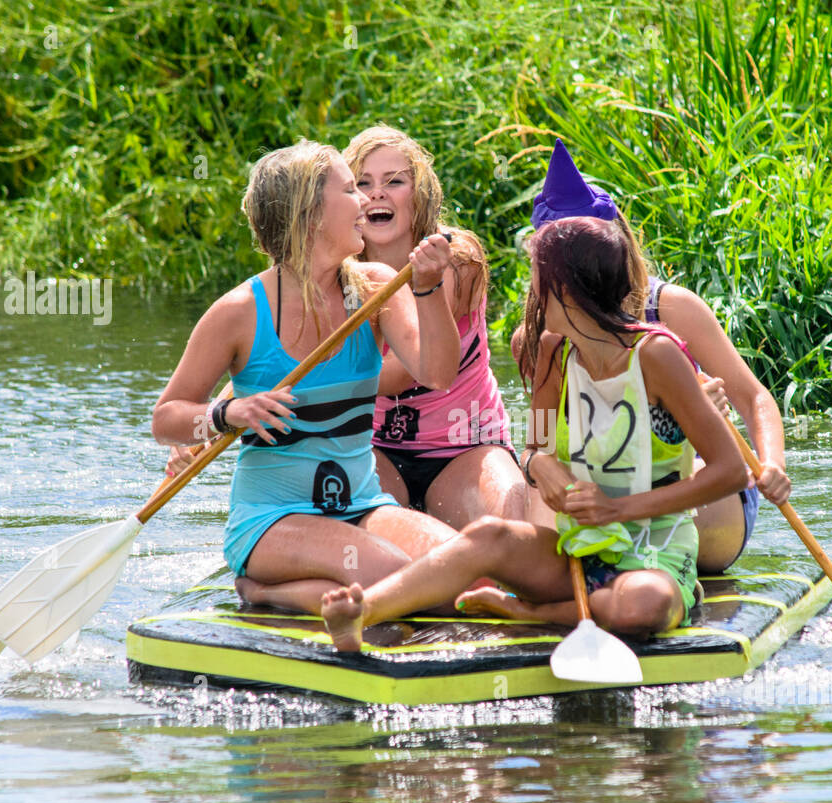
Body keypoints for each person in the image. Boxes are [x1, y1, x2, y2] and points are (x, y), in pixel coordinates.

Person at [310, 216, 749, 652]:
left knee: (643, 606)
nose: (532, 294)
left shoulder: (658, 355)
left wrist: (618, 509)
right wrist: (544, 468)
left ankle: (531, 614)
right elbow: (535, 447)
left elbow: (730, 471)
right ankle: (362, 610)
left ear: (568, 289)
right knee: (489, 535)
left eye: (538, 280)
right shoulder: (553, 353)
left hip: (655, 554)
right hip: (578, 551)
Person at [151, 140, 462, 614]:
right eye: (349, 189)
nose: (364, 201)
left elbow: (437, 373)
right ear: (311, 215)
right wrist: (227, 412)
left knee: (461, 573)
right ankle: (262, 588)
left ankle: (288, 593)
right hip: (272, 520)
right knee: (400, 580)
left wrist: (430, 287)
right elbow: (166, 419)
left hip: (363, 505)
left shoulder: (375, 288)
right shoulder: (237, 314)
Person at [514, 140, 791, 573]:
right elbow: (539, 441)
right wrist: (537, 462)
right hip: (603, 495)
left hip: (686, 489)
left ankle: (659, 571)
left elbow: (752, 397)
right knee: (538, 505)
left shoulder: (672, 309)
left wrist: (772, 462)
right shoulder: (542, 339)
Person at [345, 125, 528, 527]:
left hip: (466, 447)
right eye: (363, 182)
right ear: (346, 201)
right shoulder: (334, 270)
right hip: (374, 448)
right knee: (360, 538)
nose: (377, 193)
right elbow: (278, 344)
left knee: (509, 528)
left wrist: (302, 384)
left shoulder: (455, 257)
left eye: (394, 181)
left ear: (420, 194)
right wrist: (227, 409)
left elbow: (405, 373)